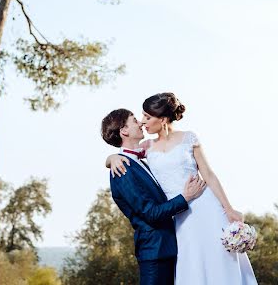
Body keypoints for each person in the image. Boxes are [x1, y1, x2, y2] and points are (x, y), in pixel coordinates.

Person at [107, 93, 258, 284]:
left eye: (147, 117)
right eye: (141, 117)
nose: (143, 122)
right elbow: (128, 156)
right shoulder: (147, 146)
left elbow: (209, 175)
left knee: (219, 260)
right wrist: (111, 159)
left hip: (206, 206)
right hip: (179, 214)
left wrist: (228, 209)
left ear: (162, 119)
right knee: (192, 264)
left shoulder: (189, 138)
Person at [101, 108, 206, 285]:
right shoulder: (123, 170)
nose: (141, 122)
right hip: (155, 252)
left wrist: (110, 157)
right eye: (134, 120)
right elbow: (150, 213)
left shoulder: (139, 161)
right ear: (124, 131)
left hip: (168, 248)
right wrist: (185, 197)